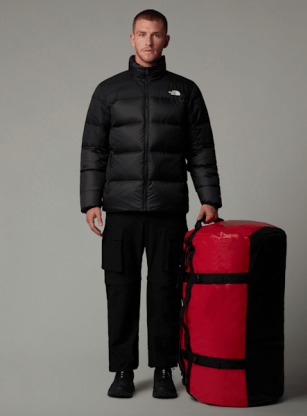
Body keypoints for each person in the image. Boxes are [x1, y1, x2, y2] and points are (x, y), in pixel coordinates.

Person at [79, 9, 222, 399]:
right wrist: (91, 201)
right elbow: (93, 150)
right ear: (131, 38)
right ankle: (123, 371)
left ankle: (163, 369)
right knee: (120, 291)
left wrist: (209, 198)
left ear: (166, 40)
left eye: (156, 35)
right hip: (121, 210)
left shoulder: (185, 91)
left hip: (167, 211)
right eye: (142, 34)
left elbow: (201, 148)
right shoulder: (108, 91)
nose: (149, 41)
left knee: (165, 291)